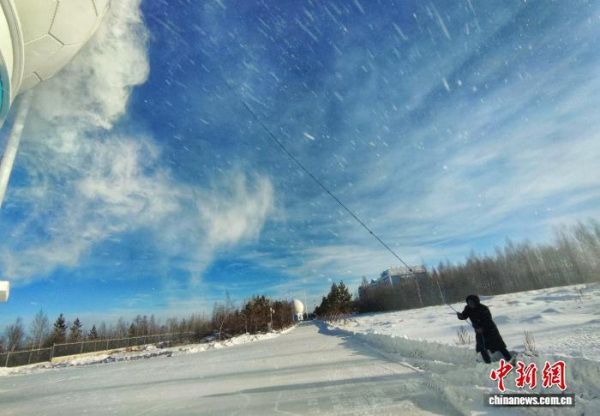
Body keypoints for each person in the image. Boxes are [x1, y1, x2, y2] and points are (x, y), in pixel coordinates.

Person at [457, 294, 514, 364]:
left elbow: (488, 320)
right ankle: (488, 363)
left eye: (472, 302)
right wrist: (460, 316)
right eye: (469, 302)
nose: (471, 304)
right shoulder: (468, 308)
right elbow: (464, 316)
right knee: (482, 349)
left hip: (490, 331)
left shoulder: (483, 308)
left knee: (499, 346)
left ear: (476, 301)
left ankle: (511, 361)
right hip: (479, 333)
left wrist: (482, 328)